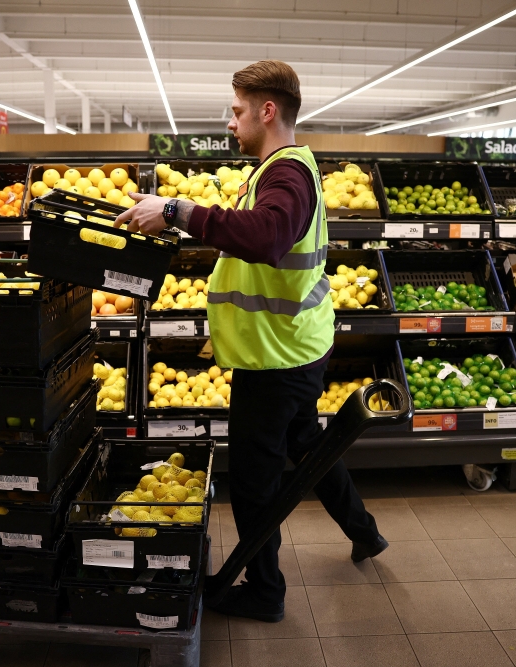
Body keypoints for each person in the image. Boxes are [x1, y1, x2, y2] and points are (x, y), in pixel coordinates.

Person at [115, 60, 387, 623]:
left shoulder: (286, 174)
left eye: (238, 110)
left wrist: (176, 210)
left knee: (255, 481)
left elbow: (266, 238)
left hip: (276, 357)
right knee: (307, 443)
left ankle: (265, 592)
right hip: (292, 343)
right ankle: (365, 532)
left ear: (268, 111)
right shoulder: (279, 169)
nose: (231, 121)